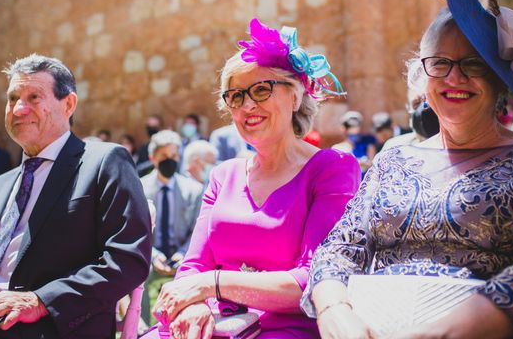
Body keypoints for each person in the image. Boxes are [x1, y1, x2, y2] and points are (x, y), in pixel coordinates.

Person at [303, 0, 513, 338]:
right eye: (440, 63)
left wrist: (447, 331)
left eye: (473, 64)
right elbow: (340, 248)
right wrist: (334, 310)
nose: (454, 77)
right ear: (423, 73)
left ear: (500, 80)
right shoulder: (393, 156)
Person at [153, 18, 360, 338]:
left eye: (262, 89)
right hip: (212, 325)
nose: (248, 104)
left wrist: (210, 286)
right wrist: (195, 305)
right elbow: (192, 267)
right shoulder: (224, 175)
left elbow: (314, 280)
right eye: (235, 96)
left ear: (295, 96)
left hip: (286, 329)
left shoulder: (332, 169)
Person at [0, 54, 152, 338]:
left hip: (47, 325)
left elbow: (128, 259)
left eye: (33, 97)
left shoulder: (104, 162)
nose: (18, 109)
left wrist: (41, 301)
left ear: (69, 104)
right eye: (13, 98)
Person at [141, 131, 204, 302]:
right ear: (152, 157)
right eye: (164, 156)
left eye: (174, 155)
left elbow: (198, 230)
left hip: (182, 257)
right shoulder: (139, 188)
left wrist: (183, 253)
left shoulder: (194, 190)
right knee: (137, 274)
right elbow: (136, 230)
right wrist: (153, 255)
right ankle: (139, 326)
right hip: (149, 256)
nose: (170, 160)